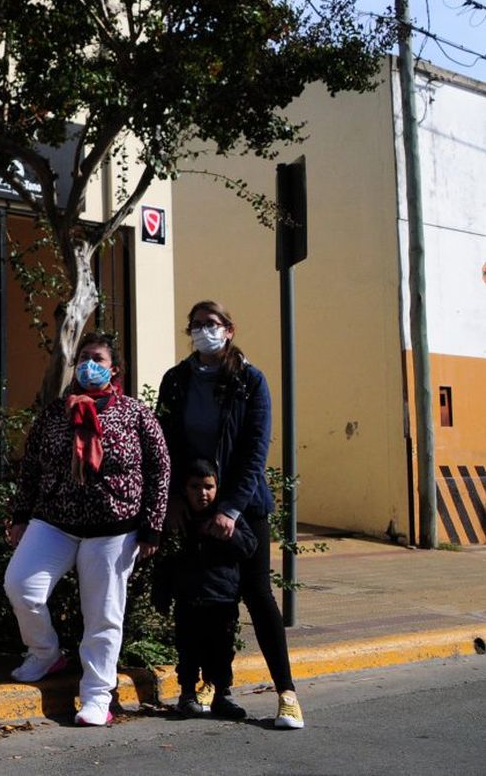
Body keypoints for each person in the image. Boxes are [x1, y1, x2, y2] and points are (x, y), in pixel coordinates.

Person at [4, 331, 169, 727]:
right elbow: (31, 467)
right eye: (83, 357)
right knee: (21, 585)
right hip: (54, 521)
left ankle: (97, 696)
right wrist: (20, 515)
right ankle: (45, 653)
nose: (88, 364)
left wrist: (151, 528)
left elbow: (160, 467)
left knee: (102, 614)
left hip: (114, 527)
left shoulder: (134, 413)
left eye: (97, 358)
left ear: (114, 369)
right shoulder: (55, 412)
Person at [156, 300, 305, 730]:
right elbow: (167, 444)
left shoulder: (249, 381)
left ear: (229, 329)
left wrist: (231, 509)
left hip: (244, 507)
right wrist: (175, 499)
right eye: (197, 325)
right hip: (192, 504)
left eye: (213, 324)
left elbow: (255, 450)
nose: (205, 331)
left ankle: (287, 693)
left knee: (257, 596)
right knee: (203, 600)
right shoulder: (177, 381)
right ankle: (209, 684)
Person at [163, 458, 257, 720]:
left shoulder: (227, 517)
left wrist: (228, 533)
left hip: (222, 598)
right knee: (188, 648)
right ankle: (187, 694)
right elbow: (166, 559)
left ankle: (222, 694)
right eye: (195, 487)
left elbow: (249, 546)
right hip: (188, 598)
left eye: (208, 486)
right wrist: (162, 593)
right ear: (185, 489)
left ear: (217, 488)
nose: (202, 493)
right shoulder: (179, 519)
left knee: (221, 649)